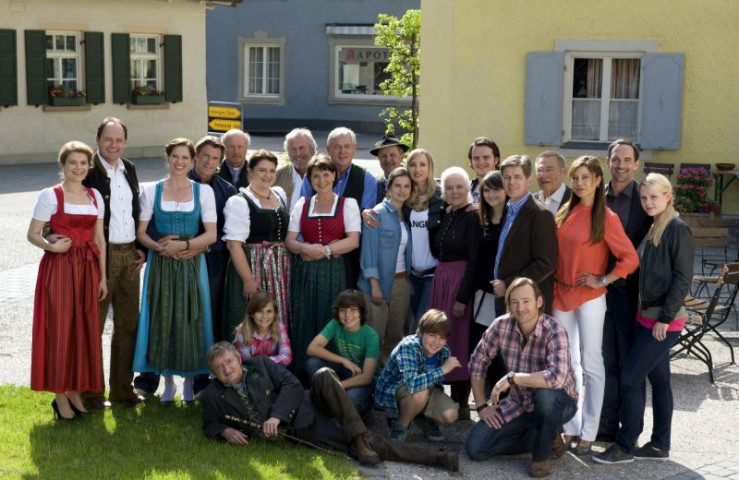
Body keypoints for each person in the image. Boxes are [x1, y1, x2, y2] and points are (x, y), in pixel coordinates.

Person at [201, 342, 459, 471]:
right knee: (372, 444)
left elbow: (292, 385)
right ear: (214, 372)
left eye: (229, 361)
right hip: (302, 427)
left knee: (324, 374)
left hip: (306, 404)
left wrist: (276, 416)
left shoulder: (260, 364)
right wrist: (224, 431)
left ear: (238, 358)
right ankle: (438, 457)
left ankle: (358, 438)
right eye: (219, 367)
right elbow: (209, 423)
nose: (227, 369)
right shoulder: (212, 395)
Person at [593, 174, 694, 464]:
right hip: (645, 317)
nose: (648, 202)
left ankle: (625, 446)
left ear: (668, 197)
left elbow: (682, 279)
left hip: (663, 322)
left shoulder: (677, 229)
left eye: (654, 197)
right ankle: (660, 445)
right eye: (644, 198)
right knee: (660, 382)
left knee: (630, 378)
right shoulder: (654, 226)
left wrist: (665, 318)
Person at [134, 135, 237, 399]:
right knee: (160, 317)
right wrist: (160, 248)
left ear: (190, 161)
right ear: (168, 158)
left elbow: (214, 234)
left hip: (195, 263)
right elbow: (141, 231)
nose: (179, 162)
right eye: (175, 156)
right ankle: (160, 379)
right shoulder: (151, 190)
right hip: (161, 263)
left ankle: (194, 380)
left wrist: (185, 245)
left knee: (194, 318)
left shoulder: (210, 191)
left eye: (184, 157)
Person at [552, 155, 639, 455]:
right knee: (566, 364)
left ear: (598, 180)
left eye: (585, 178)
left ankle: (589, 431)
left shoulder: (607, 217)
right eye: (575, 178)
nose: (579, 183)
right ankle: (570, 427)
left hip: (590, 298)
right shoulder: (566, 211)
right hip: (561, 295)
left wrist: (602, 280)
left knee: (591, 363)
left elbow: (630, 259)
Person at [466, 278, 578, 478]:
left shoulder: (554, 330)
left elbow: (556, 378)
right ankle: (546, 433)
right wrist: (482, 406)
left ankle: (541, 456)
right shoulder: (501, 325)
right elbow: (477, 362)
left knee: (545, 396)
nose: (520, 308)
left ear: (539, 302)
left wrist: (513, 378)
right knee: (476, 449)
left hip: (560, 402)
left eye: (526, 301)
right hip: (519, 402)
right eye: (515, 302)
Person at [28, 141, 107, 420]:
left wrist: (103, 277)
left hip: (88, 269)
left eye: (83, 163)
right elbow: (32, 233)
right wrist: (51, 246)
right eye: (73, 162)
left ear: (89, 166)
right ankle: (60, 394)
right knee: (59, 328)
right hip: (59, 267)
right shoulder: (50, 195)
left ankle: (75, 389)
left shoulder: (94, 196)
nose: (78, 167)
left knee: (82, 329)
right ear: (63, 165)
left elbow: (100, 239)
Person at [83, 117, 145, 407]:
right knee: (93, 326)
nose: (113, 145)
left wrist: (140, 247)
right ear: (97, 140)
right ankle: (91, 393)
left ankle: (122, 390)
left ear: (125, 143)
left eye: (119, 140)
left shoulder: (129, 168)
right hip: (100, 256)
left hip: (129, 254)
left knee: (128, 325)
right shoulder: (86, 169)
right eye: (108, 139)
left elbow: (134, 211)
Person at [286, 154, 361, 377]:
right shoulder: (302, 204)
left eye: (326, 174)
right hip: (305, 272)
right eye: (316, 176)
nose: (321, 180)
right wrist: (305, 249)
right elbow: (290, 240)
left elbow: (353, 241)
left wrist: (324, 251)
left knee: (333, 316)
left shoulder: (347, 204)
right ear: (309, 179)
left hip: (333, 271)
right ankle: (303, 375)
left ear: (335, 176)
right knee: (304, 316)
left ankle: (333, 375)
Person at [598, 139, 653, 441]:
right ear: (608, 162)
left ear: (636, 164)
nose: (620, 165)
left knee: (628, 365)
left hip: (631, 294)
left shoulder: (644, 200)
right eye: (616, 159)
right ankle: (606, 426)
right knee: (604, 361)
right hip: (597, 292)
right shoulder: (595, 195)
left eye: (627, 160)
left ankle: (629, 431)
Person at [221, 150, 291, 344]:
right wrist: (248, 280)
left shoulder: (279, 194)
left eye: (272, 170)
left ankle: (279, 355)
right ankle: (246, 358)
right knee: (253, 315)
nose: (268, 175)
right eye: (262, 170)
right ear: (250, 172)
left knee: (277, 313)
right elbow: (234, 245)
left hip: (280, 268)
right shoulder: (239, 202)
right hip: (252, 266)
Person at [427, 166, 480, 418]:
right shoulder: (445, 212)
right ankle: (441, 397)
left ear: (467, 188)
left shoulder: (473, 216)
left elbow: (474, 260)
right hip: (442, 278)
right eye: (449, 187)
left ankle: (461, 404)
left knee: (458, 338)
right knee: (439, 335)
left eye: (459, 187)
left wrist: (462, 296)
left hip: (459, 281)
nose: (454, 191)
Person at [300, 127, 378, 288]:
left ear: (354, 148)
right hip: (313, 257)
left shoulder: (366, 179)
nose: (342, 151)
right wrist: (305, 248)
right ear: (328, 149)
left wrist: (339, 245)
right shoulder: (312, 177)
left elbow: (365, 221)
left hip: (350, 259)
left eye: (347, 146)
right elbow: (301, 214)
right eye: (337, 147)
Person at [374, 309, 461, 442]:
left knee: (451, 414)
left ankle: (421, 416)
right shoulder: (409, 346)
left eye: (442, 338)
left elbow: (436, 384)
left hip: (424, 389)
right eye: (432, 335)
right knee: (420, 391)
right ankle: (400, 427)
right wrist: (443, 369)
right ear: (421, 332)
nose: (436, 341)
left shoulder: (444, 351)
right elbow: (412, 384)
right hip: (394, 389)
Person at [358, 167, 412, 362]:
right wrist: (374, 284)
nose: (402, 190)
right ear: (388, 189)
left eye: (407, 186)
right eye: (397, 186)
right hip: (377, 284)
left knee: (395, 336)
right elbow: (368, 252)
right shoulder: (377, 213)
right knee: (375, 335)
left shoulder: (406, 214)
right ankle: (370, 377)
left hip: (402, 282)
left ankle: (389, 376)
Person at [493, 154, 558, 315]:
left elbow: (546, 263)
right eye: (507, 177)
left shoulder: (540, 214)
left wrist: (508, 284)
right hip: (506, 299)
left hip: (527, 304)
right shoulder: (508, 210)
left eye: (517, 177)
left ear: (528, 181)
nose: (511, 182)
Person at [306, 290, 379, 413]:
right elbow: (311, 349)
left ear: (361, 312)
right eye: (342, 310)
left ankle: (365, 406)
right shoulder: (335, 324)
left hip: (362, 379)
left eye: (353, 310)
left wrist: (337, 386)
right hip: (344, 370)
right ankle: (329, 400)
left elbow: (367, 377)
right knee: (312, 363)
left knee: (351, 398)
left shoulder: (371, 336)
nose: (347, 315)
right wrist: (343, 360)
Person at [470, 171, 508, 396]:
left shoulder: (513, 218)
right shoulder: (480, 219)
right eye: (487, 190)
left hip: (504, 294)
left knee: (504, 350)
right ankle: (489, 398)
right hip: (483, 295)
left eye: (496, 189)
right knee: (486, 348)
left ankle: (506, 399)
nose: (491, 194)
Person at [234, 291, 292, 367]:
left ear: (274, 314)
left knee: (281, 367)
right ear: (252, 313)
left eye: (269, 311)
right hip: (253, 370)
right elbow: (248, 362)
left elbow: (287, 357)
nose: (264, 316)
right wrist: (265, 362)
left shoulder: (279, 327)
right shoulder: (243, 333)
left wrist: (265, 361)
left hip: (274, 367)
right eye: (259, 311)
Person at [275, 128, 316, 212]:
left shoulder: (326, 173)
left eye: (301, 148)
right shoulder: (277, 177)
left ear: (312, 150)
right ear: (288, 153)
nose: (298, 154)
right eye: (293, 149)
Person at [370, 134, 408, 203]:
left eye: (392, 155)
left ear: (401, 157)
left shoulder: (411, 183)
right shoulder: (373, 184)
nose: (388, 160)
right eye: (384, 156)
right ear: (379, 158)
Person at [533, 150, 572, 215]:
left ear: (563, 172)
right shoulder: (531, 201)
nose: (544, 175)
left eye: (549, 170)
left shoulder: (575, 200)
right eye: (540, 170)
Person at [468, 137, 501, 203]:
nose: (481, 162)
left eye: (486, 157)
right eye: (476, 158)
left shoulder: (506, 186)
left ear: (496, 160)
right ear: (471, 161)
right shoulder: (467, 189)